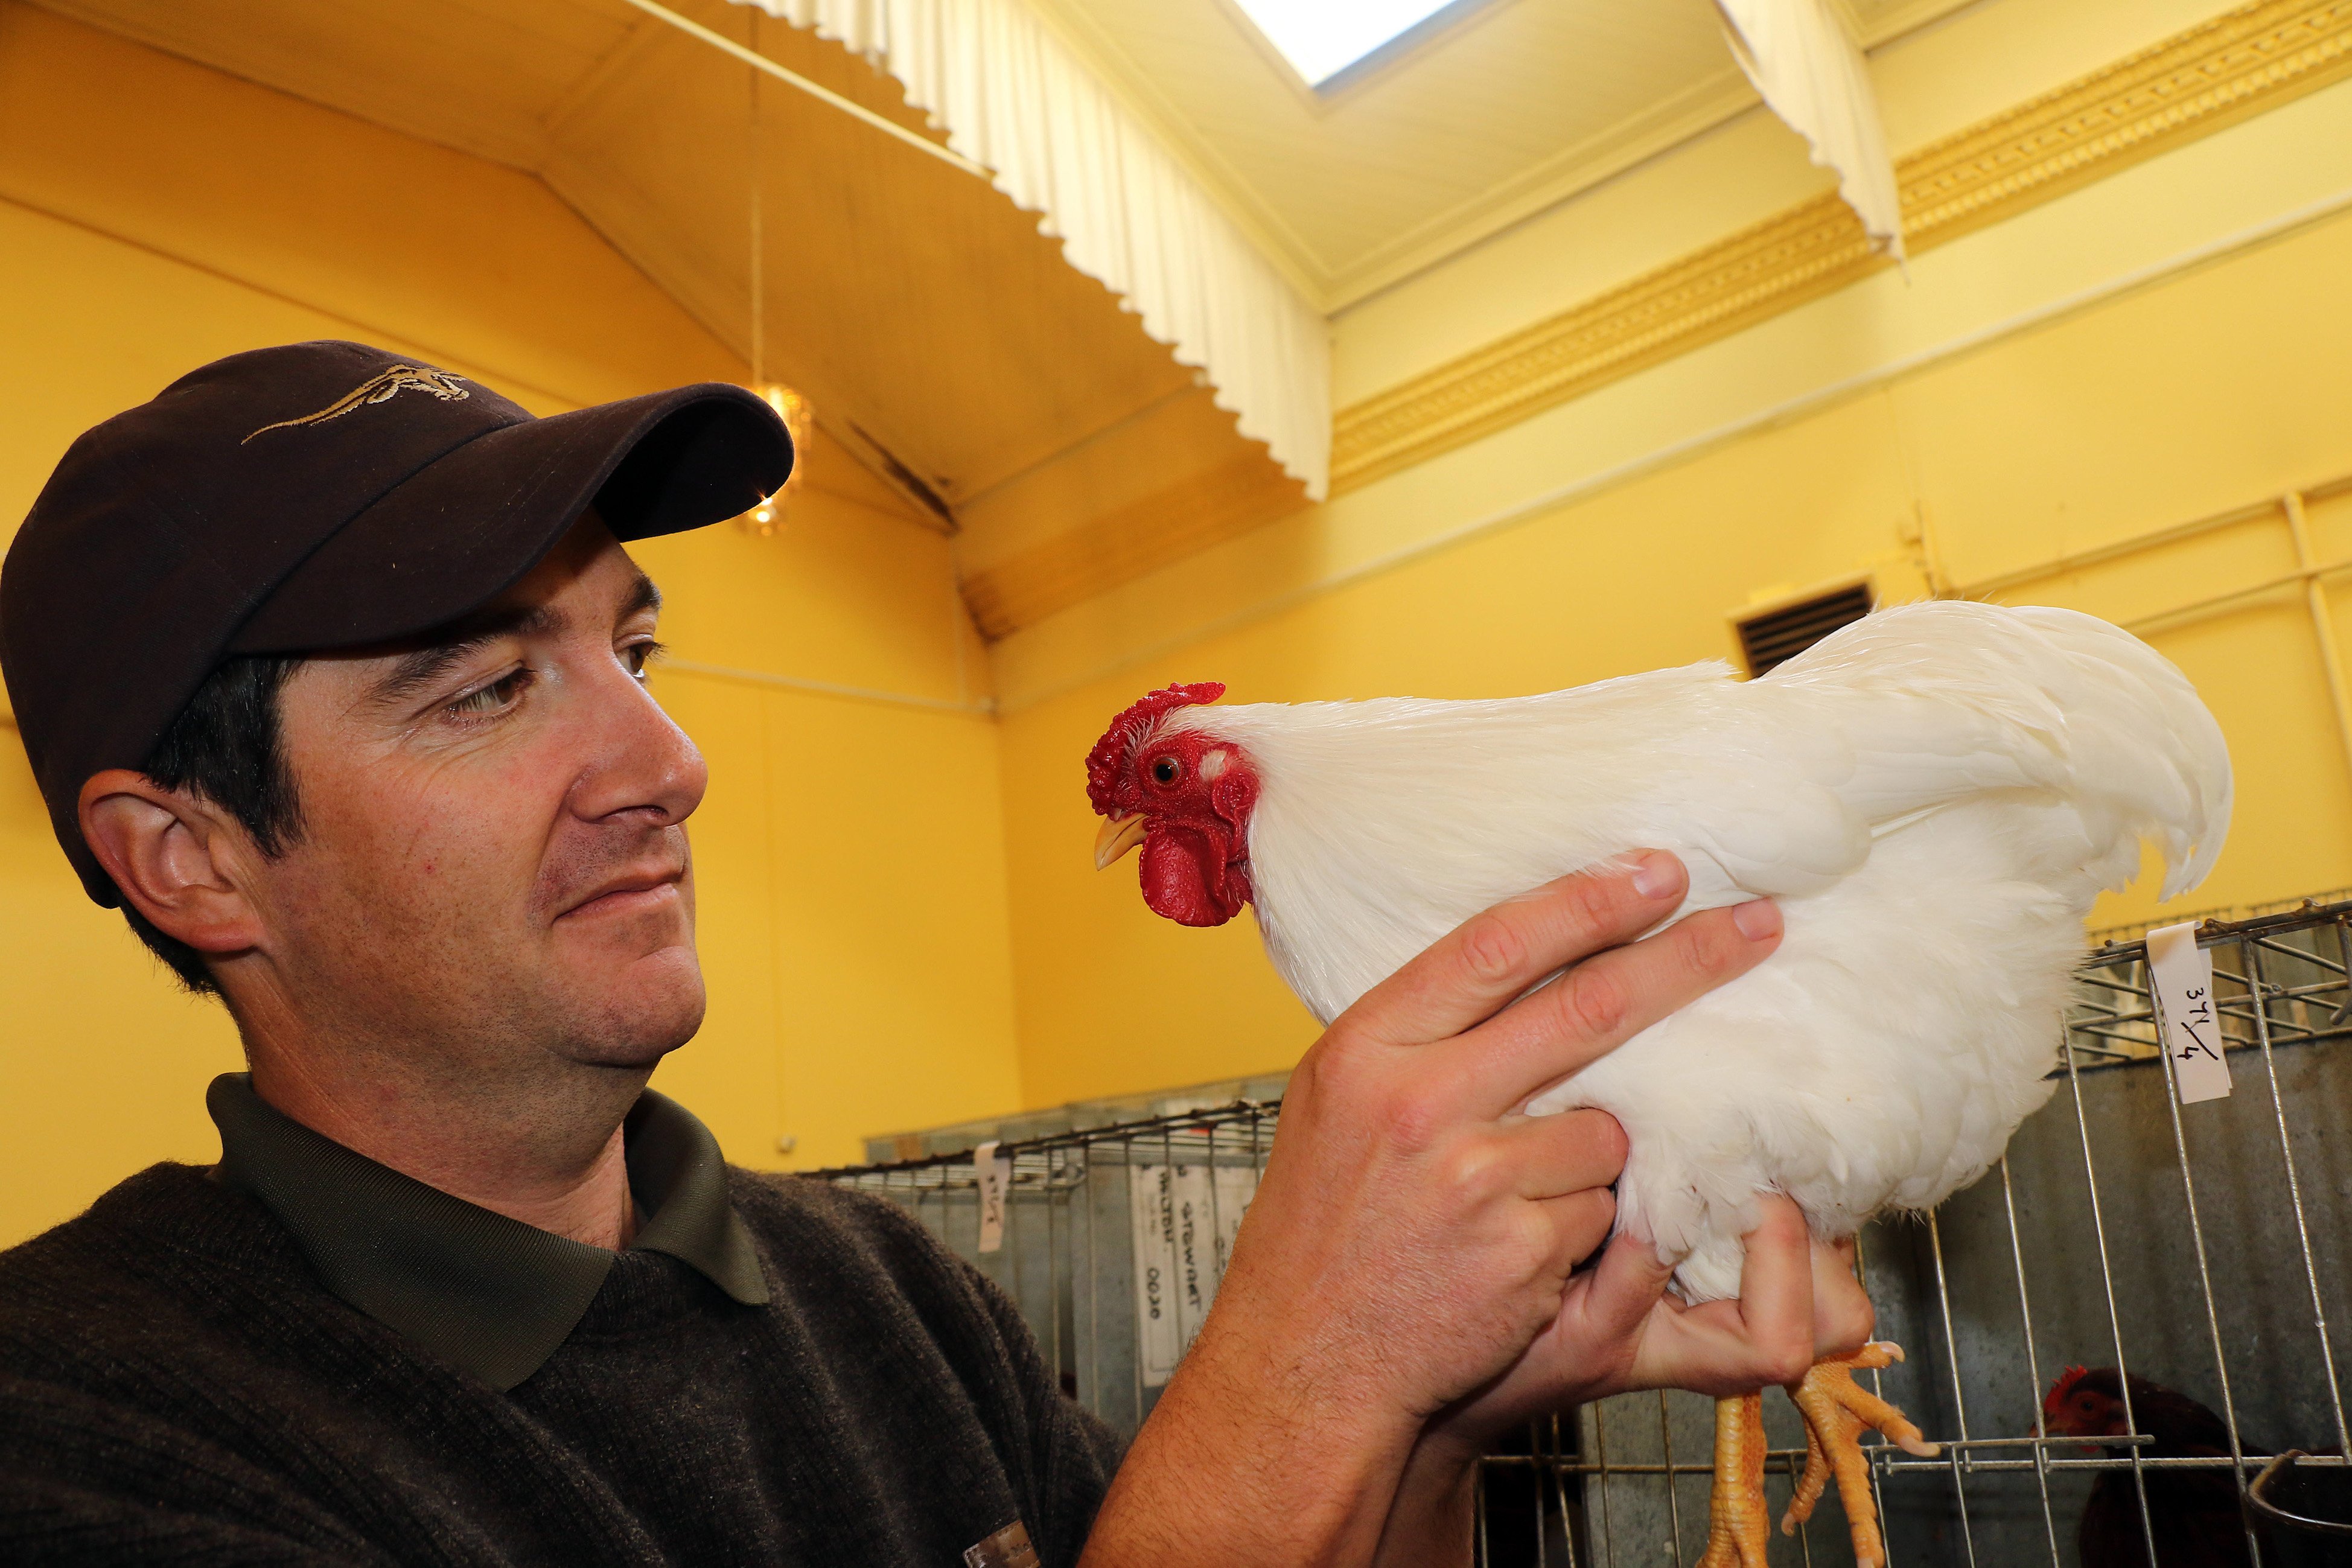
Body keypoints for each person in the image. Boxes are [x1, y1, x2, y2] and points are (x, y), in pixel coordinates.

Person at [0, 342, 1869, 1565]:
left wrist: (1435, 1410)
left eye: (633, 660)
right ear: (192, 861)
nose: (668, 768)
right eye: (487, 688)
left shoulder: (889, 1302)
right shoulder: (86, 1435)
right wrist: (1298, 1379)